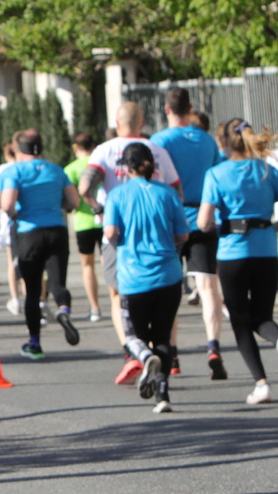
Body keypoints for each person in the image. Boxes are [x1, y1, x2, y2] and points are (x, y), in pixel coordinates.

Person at [199, 119, 278, 404]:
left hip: (232, 254)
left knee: (241, 322)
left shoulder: (216, 174)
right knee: (263, 316)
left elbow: (204, 220)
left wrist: (215, 226)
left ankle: (261, 383)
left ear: (223, 142)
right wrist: (276, 226)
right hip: (266, 250)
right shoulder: (266, 170)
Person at [100, 143, 191, 414]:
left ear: (125, 169)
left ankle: (144, 356)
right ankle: (163, 396)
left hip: (133, 277)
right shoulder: (169, 194)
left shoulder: (117, 196)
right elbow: (183, 234)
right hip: (168, 275)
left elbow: (111, 232)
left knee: (133, 336)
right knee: (163, 336)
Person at [152, 88, 229, 379]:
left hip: (172, 219)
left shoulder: (159, 142)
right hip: (204, 219)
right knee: (209, 286)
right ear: (191, 107)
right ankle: (214, 346)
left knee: (170, 288)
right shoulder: (208, 140)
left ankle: (172, 355)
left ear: (167, 109)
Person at [0, 129, 80, 361]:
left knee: (32, 292)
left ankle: (35, 343)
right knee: (57, 283)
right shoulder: (56, 170)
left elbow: (6, 203)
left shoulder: (15, 171)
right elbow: (74, 201)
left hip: (29, 233)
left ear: (18, 149)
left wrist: (14, 213)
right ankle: (63, 311)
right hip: (57, 232)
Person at [65, 130, 105, 321]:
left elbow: (71, 200)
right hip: (105, 220)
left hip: (83, 222)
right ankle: (117, 300)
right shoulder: (101, 164)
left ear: (75, 147)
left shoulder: (71, 169)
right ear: (94, 146)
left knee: (87, 266)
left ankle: (95, 307)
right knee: (109, 263)